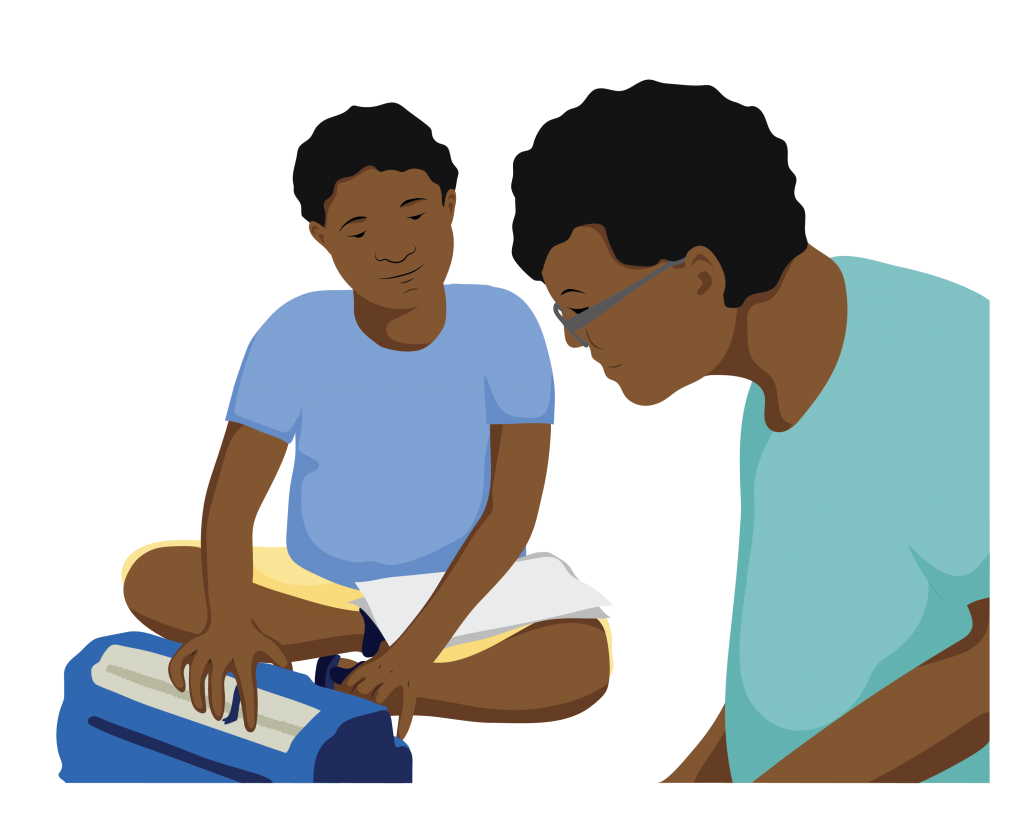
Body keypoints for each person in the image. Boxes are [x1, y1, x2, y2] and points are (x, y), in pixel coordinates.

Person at [511, 80, 989, 784]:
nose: (577, 343)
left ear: (698, 276)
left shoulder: (941, 355)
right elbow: (784, 690)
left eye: (583, 310)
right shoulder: (768, 395)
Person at [121, 103, 612, 741]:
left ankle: (355, 685)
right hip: (325, 590)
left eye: (414, 214)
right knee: (154, 574)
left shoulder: (505, 324)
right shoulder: (294, 330)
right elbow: (233, 499)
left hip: (471, 591)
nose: (395, 248)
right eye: (358, 229)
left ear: (450, 208)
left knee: (581, 657)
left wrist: (415, 651)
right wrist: (229, 623)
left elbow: (511, 512)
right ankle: (362, 670)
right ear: (321, 238)